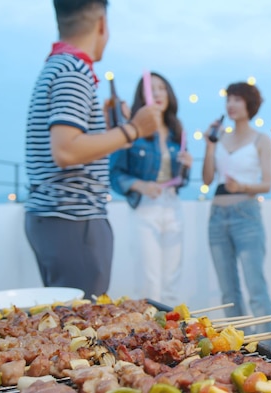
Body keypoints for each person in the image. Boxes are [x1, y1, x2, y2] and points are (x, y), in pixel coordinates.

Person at [24, 0, 160, 299]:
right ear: (101, 24)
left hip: (56, 217)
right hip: (73, 218)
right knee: (80, 324)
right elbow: (66, 151)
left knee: (65, 320)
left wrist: (111, 129)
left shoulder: (57, 65)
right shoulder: (75, 71)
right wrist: (134, 129)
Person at [109, 72, 192, 306]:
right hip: (145, 208)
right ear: (142, 95)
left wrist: (186, 166)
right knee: (149, 283)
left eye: (162, 88)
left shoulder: (177, 130)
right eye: (151, 88)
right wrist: (141, 185)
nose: (157, 93)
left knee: (172, 282)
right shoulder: (134, 130)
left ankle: (172, 338)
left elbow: (182, 180)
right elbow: (115, 174)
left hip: (173, 205)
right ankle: (149, 337)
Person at [202, 82, 271, 334]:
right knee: (228, 290)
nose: (231, 104)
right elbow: (207, 179)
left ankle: (269, 343)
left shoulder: (261, 139)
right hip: (217, 216)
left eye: (237, 99)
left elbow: (267, 184)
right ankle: (239, 345)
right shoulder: (220, 138)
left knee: (255, 286)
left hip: (246, 214)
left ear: (249, 104)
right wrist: (209, 145)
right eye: (229, 99)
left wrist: (241, 186)